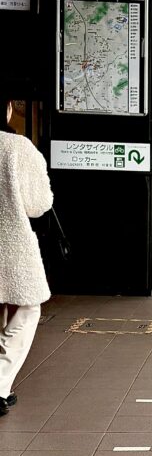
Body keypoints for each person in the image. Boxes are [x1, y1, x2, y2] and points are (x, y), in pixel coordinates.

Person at [0, 96, 54, 415]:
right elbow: (38, 204)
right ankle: (0, 383)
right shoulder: (18, 148)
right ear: (8, 109)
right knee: (28, 307)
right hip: (11, 244)